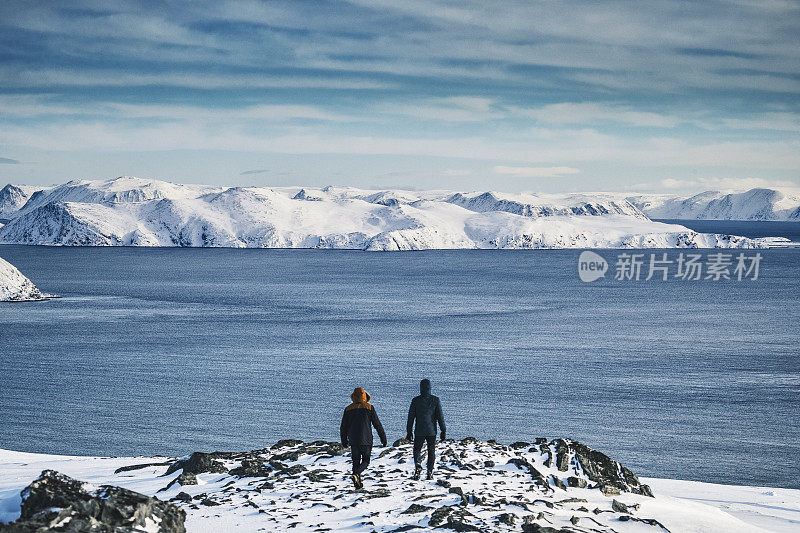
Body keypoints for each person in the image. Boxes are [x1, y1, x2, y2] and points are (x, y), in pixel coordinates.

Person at [340, 387, 387, 489]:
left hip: (353, 439)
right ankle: (356, 475)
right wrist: (383, 438)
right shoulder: (369, 407)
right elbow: (377, 425)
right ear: (365, 396)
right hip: (366, 439)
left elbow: (343, 427)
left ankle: (357, 484)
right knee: (366, 461)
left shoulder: (348, 409)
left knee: (355, 461)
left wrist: (344, 440)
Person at [406, 378, 446, 480]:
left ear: (420, 388)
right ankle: (430, 471)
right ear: (430, 388)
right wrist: (443, 430)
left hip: (419, 430)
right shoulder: (435, 400)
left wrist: (409, 431)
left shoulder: (415, 400)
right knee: (431, 451)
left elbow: (411, 417)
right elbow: (440, 417)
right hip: (431, 430)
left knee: (417, 449)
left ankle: (418, 465)